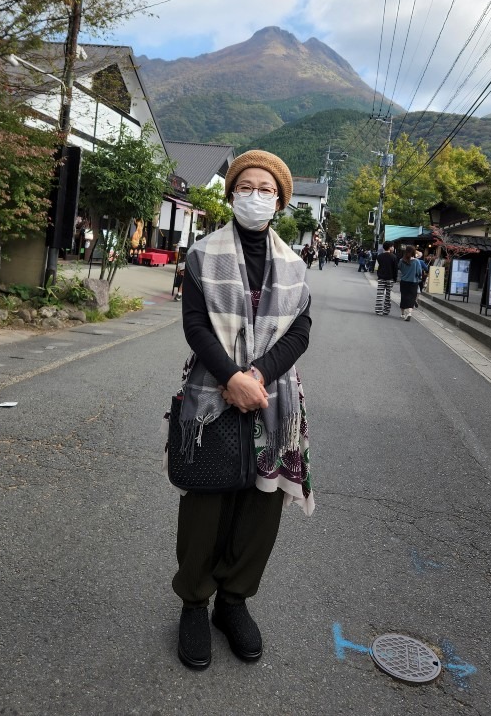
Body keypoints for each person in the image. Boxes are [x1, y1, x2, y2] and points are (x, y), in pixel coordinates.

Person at [165, 150, 313, 671]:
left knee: (260, 502)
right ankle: (194, 603)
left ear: (280, 201)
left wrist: (258, 376)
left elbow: (301, 330)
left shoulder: (295, 265)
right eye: (245, 187)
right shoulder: (203, 254)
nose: (255, 195)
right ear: (231, 195)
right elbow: (195, 325)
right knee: (206, 500)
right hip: (212, 392)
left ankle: (234, 602)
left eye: (266, 189)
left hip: (272, 398)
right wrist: (230, 376)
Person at [398, 245, 423, 321]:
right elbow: (419, 272)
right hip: (413, 282)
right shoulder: (416, 261)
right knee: (412, 298)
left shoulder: (401, 260)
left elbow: (400, 269)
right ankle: (409, 313)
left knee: (403, 297)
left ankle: (402, 314)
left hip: (404, 281)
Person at [374, 241, 399, 316]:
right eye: (393, 246)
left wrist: (379, 275)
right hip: (390, 278)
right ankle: (386, 310)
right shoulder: (394, 257)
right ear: (390, 247)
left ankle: (378, 310)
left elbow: (376, 267)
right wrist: (395, 278)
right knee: (388, 295)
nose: (393, 248)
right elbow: (395, 269)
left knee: (380, 295)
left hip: (381, 278)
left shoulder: (379, 256)